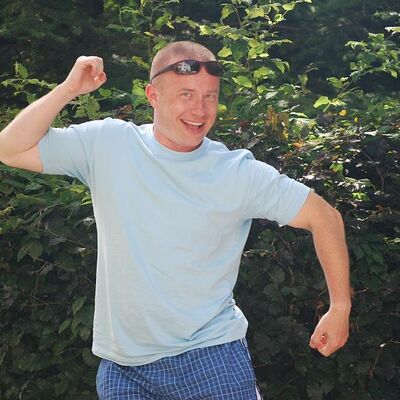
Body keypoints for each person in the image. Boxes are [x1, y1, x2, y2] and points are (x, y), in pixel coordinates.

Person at [0, 41, 351, 400]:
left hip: (212, 358)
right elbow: (10, 148)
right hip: (124, 368)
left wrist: (340, 306)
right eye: (186, 94)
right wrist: (68, 90)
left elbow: (324, 217)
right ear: (153, 95)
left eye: (210, 96)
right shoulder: (108, 144)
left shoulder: (237, 173)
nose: (200, 109)